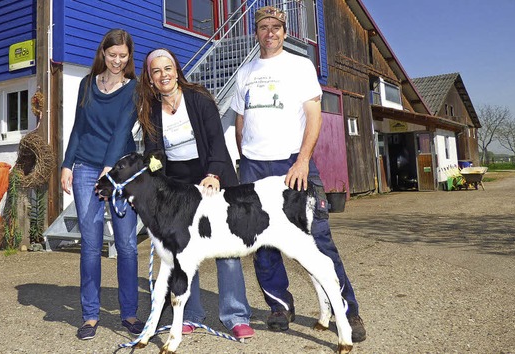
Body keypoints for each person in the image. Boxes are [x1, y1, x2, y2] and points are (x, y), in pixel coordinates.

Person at [231, 6, 367, 342]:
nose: (270, 32)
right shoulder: (244, 71)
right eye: (263, 27)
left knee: (318, 239)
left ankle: (346, 311)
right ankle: (279, 306)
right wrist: (245, 156)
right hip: (253, 167)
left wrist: (303, 160)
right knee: (261, 243)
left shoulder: (300, 66)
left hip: (292, 165)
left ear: (285, 31)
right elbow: (239, 121)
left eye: (276, 26)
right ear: (256, 32)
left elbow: (314, 116)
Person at [136, 48, 255, 340]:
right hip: (177, 183)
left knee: (225, 246)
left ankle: (235, 314)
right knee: (183, 251)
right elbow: (153, 151)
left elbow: (216, 140)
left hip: (211, 176)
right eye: (156, 71)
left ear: (176, 70)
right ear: (150, 79)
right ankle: (190, 313)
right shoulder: (150, 110)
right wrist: (153, 167)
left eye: (168, 68)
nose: (163, 75)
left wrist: (213, 175)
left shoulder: (199, 98)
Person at [60, 28, 144, 340]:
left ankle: (130, 313)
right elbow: (79, 127)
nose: (117, 61)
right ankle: (91, 315)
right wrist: (67, 165)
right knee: (91, 244)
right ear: (103, 53)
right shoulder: (86, 84)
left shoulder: (134, 89)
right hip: (84, 168)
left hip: (119, 171)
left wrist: (109, 170)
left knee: (126, 244)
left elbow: (123, 129)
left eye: (123, 56)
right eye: (112, 55)